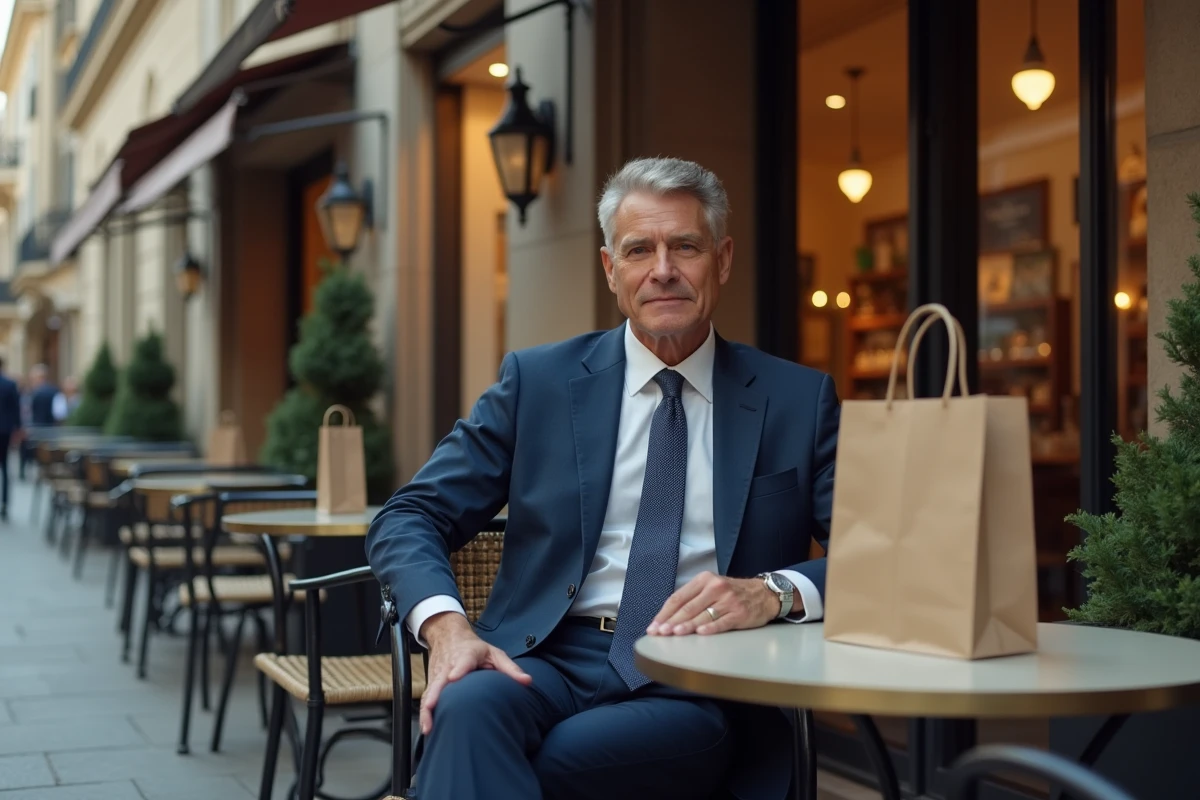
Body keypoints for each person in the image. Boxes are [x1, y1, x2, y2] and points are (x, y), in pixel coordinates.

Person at [366, 157, 839, 800]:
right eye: (639, 249)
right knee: (467, 706)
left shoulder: (796, 399)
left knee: (538, 759)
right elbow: (409, 514)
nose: (663, 270)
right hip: (543, 658)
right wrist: (448, 629)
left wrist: (773, 592)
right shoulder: (536, 383)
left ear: (722, 260)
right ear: (610, 269)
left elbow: (872, 560)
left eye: (686, 247)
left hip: (696, 675)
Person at [0, 358, 23, 520]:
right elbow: (16, 410)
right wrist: (18, 429)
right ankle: (5, 503)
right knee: (5, 467)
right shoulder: (9, 384)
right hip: (5, 430)